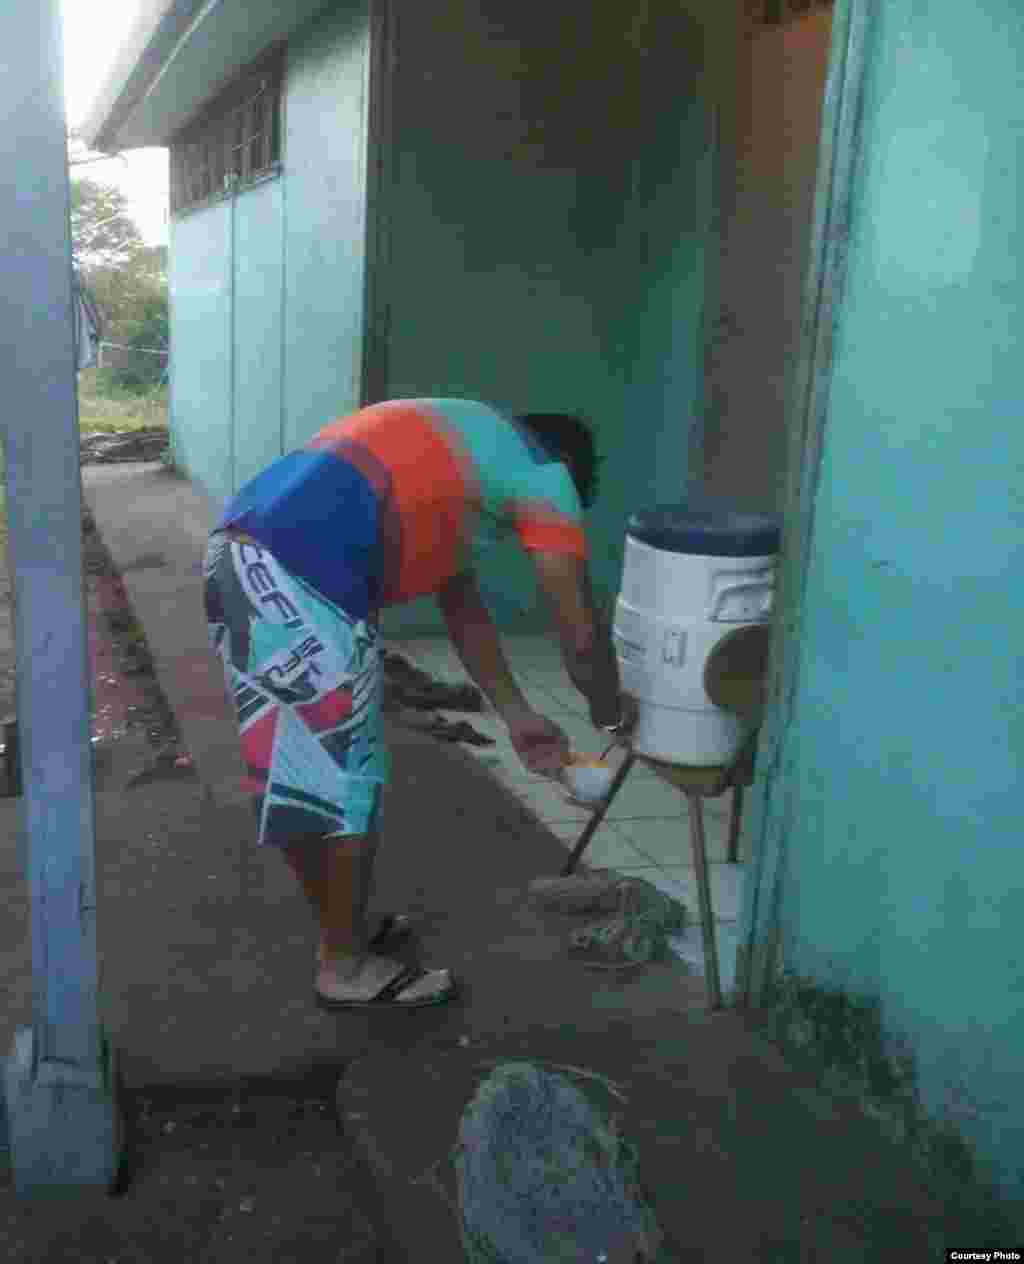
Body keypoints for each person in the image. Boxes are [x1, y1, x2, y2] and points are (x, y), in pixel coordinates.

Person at [202, 398, 637, 1011]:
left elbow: (463, 610)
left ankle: (341, 933)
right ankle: (345, 968)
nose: (523, 535)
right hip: (307, 575)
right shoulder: (544, 476)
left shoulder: (467, 455)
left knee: (300, 770)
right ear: (568, 466)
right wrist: (613, 714)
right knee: (351, 780)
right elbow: (581, 633)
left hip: (238, 553)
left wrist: (517, 718)